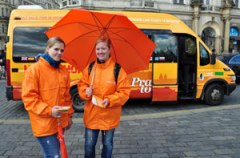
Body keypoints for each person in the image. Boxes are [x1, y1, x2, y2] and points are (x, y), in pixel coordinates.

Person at [78, 36, 131, 158]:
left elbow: (124, 92)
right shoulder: (90, 68)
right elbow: (81, 85)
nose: (100, 52)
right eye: (98, 49)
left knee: (108, 145)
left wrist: (110, 100)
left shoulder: (118, 69)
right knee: (89, 145)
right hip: (92, 115)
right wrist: (86, 91)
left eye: (103, 48)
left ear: (109, 49)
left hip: (109, 117)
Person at [22, 37, 74, 158]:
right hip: (44, 125)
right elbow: (29, 99)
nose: (59, 53)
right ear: (48, 48)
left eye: (62, 50)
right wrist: (50, 111)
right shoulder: (34, 70)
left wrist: (69, 116)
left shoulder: (63, 71)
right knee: (53, 155)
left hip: (60, 123)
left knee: (56, 153)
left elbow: (66, 97)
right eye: (56, 49)